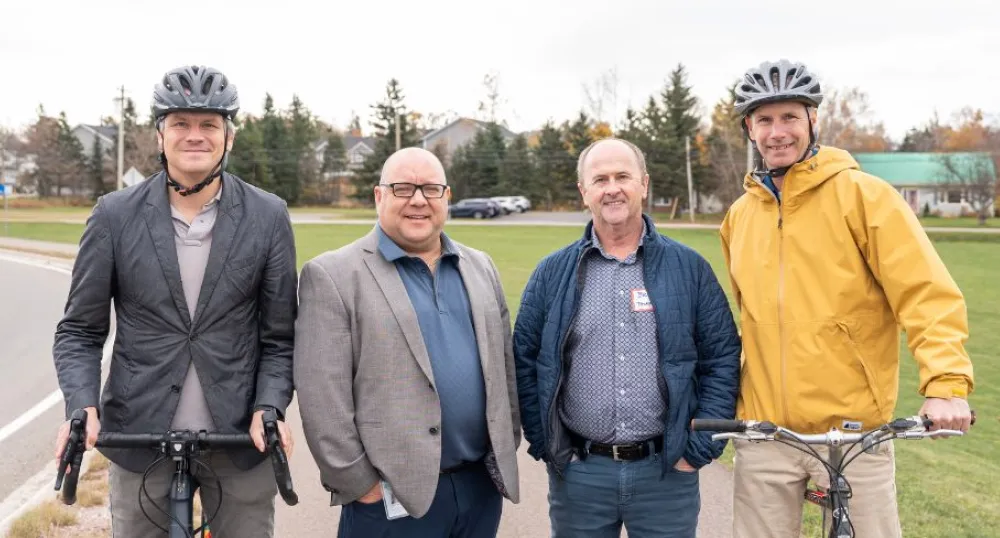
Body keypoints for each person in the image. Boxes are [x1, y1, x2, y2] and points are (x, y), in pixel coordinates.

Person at [719, 59, 976, 538]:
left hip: (854, 433)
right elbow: (747, 317)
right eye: (765, 120)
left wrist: (945, 385)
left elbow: (925, 293)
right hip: (765, 434)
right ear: (749, 129)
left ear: (813, 119)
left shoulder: (865, 196)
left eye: (790, 116)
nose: (778, 132)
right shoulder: (739, 216)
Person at [52, 65, 297, 537]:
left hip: (240, 439)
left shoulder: (268, 216)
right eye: (181, 123)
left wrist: (270, 405)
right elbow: (80, 331)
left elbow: (280, 336)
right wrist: (82, 405)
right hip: (138, 434)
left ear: (229, 137)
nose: (195, 135)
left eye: (209, 124)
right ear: (160, 135)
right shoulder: (113, 215)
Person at [513, 137, 741, 537]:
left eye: (623, 176)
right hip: (580, 476)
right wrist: (546, 442)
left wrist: (698, 449)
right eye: (600, 179)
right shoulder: (552, 273)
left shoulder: (690, 269)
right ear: (584, 191)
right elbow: (525, 360)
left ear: (644, 184)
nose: (612, 188)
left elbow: (721, 358)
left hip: (666, 474)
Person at [294, 147, 521, 538]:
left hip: (479, 489)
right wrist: (361, 486)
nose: (418, 200)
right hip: (390, 499)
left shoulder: (481, 266)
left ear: (446, 197)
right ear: (379, 196)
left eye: (431, 189)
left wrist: (505, 441)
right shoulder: (333, 275)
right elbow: (322, 399)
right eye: (403, 188)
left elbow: (505, 370)